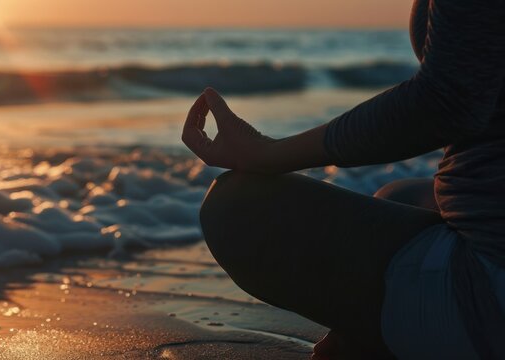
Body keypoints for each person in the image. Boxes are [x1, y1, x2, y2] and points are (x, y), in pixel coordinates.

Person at [181, 1, 505, 359]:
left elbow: (447, 101)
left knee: (234, 207)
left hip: (488, 291)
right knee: (398, 195)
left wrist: (265, 153)